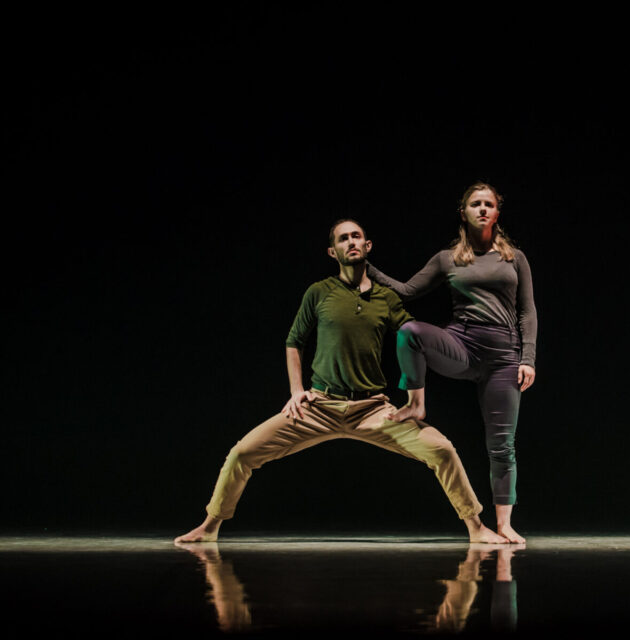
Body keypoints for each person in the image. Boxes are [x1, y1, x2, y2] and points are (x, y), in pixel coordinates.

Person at [175, 219, 507, 544]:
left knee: (442, 450)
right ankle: (209, 526)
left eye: (356, 236)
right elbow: (294, 341)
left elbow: (414, 340)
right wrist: (296, 391)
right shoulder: (319, 292)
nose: (351, 242)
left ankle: (476, 528)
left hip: (373, 409)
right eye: (343, 238)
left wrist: (447, 368)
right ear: (333, 252)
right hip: (319, 406)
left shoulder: (386, 298)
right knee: (242, 453)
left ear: (367, 246)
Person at [367, 183, 536, 544]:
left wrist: (528, 359)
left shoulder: (515, 258)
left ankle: (504, 524)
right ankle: (416, 403)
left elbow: (527, 311)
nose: (482, 209)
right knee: (410, 333)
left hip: (504, 357)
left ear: (497, 213)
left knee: (502, 444)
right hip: (462, 345)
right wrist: (366, 268)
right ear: (463, 213)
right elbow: (408, 291)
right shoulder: (448, 258)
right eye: (475, 204)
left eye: (488, 204)